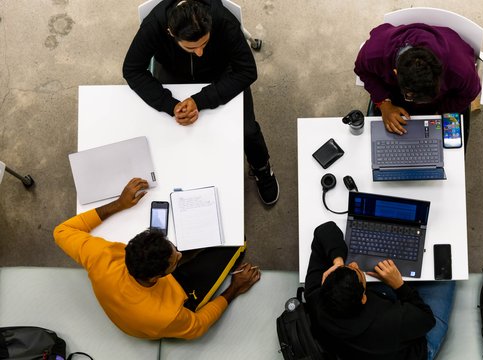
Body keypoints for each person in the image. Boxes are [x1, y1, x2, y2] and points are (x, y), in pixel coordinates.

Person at [53, 178, 261, 339]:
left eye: (173, 248)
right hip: (170, 300)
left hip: (132, 302)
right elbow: (198, 327)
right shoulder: (168, 315)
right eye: (175, 259)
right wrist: (235, 288)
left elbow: (62, 230)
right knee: (237, 241)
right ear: (157, 277)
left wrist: (119, 204)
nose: (179, 254)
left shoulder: (101, 256)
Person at [123, 0, 279, 205]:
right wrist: (171, 105)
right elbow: (132, 70)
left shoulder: (223, 20)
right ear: (171, 33)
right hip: (174, 74)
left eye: (204, 44)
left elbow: (247, 70)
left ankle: (261, 167)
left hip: (221, 74)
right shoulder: (154, 25)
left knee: (248, 130)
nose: (199, 52)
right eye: (191, 47)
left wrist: (200, 100)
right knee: (167, 130)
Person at [305, 221, 455, 360]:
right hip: (411, 346)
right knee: (447, 275)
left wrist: (337, 261)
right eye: (357, 271)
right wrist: (399, 285)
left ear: (326, 280)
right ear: (363, 299)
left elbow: (324, 230)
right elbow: (427, 320)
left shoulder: (316, 297)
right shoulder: (390, 321)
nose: (355, 264)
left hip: (355, 348)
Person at [354, 23, 481, 142]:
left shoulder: (461, 70)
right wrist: (384, 104)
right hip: (395, 95)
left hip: (441, 103)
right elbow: (362, 70)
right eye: (410, 97)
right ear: (395, 73)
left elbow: (469, 93)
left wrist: (441, 113)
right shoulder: (374, 54)